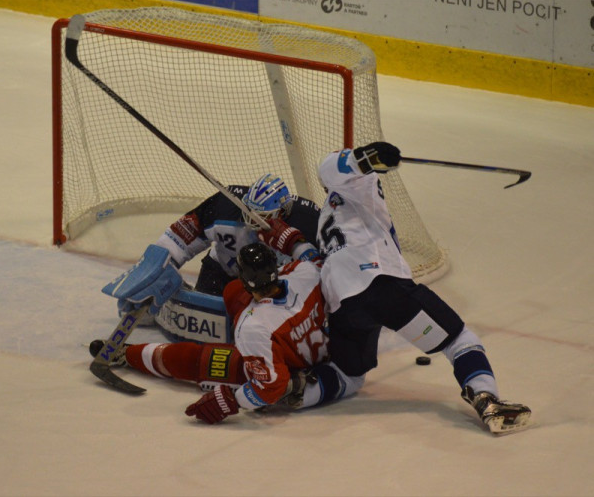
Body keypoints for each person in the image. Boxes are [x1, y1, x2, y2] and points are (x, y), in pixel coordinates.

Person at [278, 141, 530, 434]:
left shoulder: (330, 216)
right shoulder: (358, 183)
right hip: (380, 285)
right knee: (458, 339)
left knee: (349, 375)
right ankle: (486, 398)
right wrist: (366, 157)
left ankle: (287, 389)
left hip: (342, 305)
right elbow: (331, 167)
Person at [92, 242, 364, 423]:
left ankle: (127, 355)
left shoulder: (253, 325)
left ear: (246, 280)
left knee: (203, 361)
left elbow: (270, 389)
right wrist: (286, 235)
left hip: (322, 379)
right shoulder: (306, 272)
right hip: (350, 360)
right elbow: (312, 260)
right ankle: (297, 381)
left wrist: (231, 401)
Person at [102, 173, 321, 340]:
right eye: (248, 214)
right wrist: (152, 272)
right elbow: (179, 237)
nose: (252, 224)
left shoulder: (310, 222)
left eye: (262, 218)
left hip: (272, 287)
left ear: (283, 212)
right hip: (222, 274)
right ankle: (155, 307)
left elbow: (326, 273)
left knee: (262, 334)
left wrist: (299, 247)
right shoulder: (225, 205)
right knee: (205, 327)